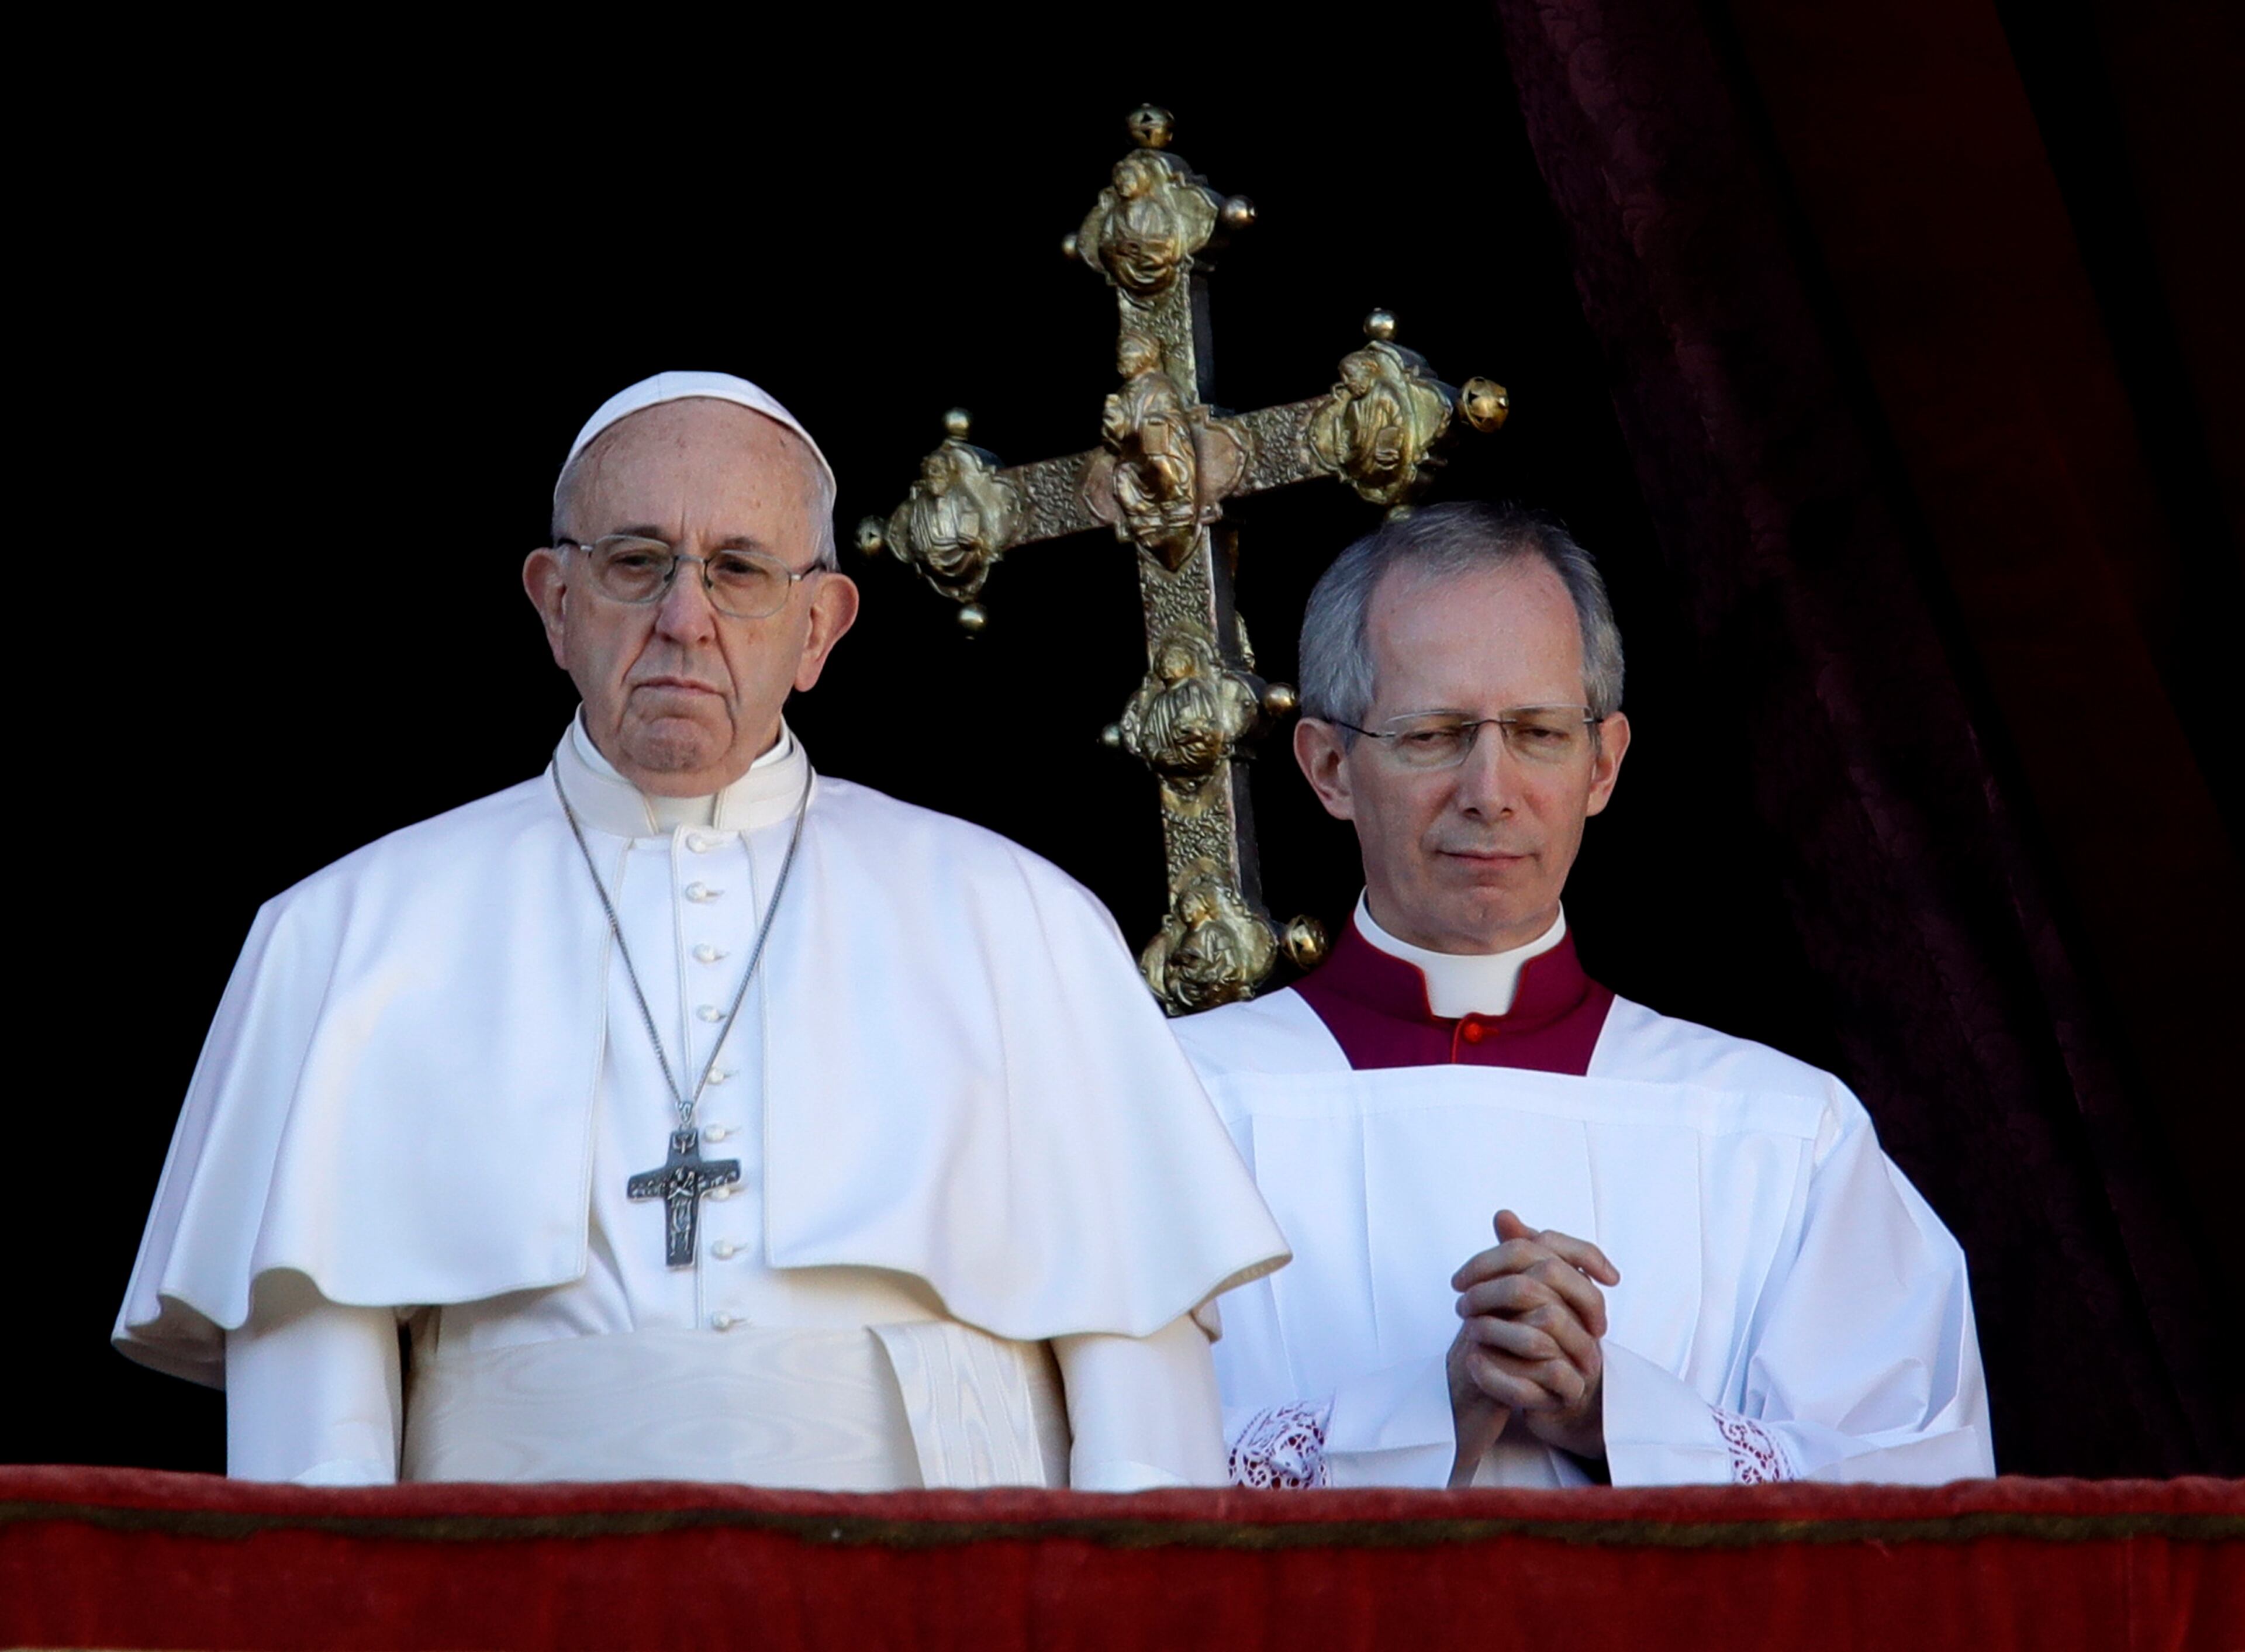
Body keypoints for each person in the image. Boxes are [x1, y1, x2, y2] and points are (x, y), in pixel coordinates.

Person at [117, 371, 1288, 1492]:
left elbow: (1144, 1443)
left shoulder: (1020, 924)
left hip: (935, 1606)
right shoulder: (351, 936)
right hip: (512, 1607)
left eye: (739, 571)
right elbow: (312, 1470)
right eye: (636, 563)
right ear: (554, 605)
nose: (685, 619)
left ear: (821, 625)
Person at [1175, 502, 1992, 1489]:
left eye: (1537, 732)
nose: (1491, 787)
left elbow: (1914, 1503)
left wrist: (1613, 1414)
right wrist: (1425, 1411)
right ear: (1330, 766)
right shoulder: (1178, 1105)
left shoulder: (1782, 1133)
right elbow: (1086, 1491)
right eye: (1435, 734)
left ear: (1602, 763)